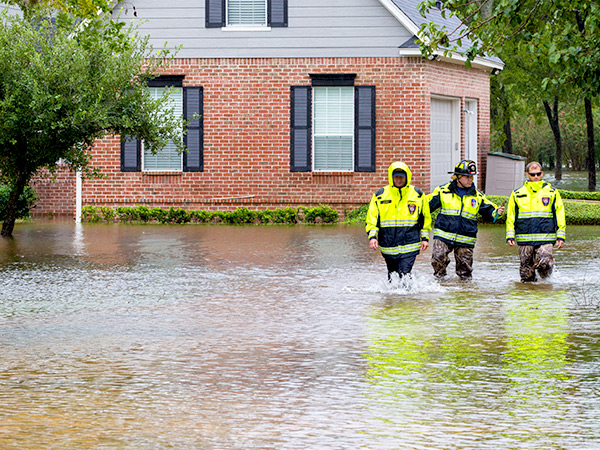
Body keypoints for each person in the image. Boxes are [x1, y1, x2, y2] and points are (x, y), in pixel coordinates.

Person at [428, 159, 504, 280]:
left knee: (465, 273)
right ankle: (440, 284)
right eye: (467, 177)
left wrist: (496, 212)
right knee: (438, 258)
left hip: (466, 238)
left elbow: (490, 211)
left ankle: (465, 294)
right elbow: (426, 206)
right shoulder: (443, 191)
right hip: (443, 235)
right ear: (457, 177)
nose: (470, 180)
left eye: (472, 177)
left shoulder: (477, 196)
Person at [366, 162, 431, 281]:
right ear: (391, 177)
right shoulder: (380, 195)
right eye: (396, 177)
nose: (399, 180)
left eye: (401, 177)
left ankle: (407, 298)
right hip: (388, 245)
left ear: (407, 177)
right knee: (392, 276)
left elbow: (424, 218)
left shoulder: (418, 195)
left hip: (410, 244)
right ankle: (394, 299)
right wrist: (372, 237)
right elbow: (372, 219)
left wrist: (425, 238)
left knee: (404, 274)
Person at [506, 161, 566, 282]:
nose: (536, 177)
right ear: (527, 175)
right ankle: (529, 295)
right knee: (525, 273)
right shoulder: (517, 193)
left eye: (538, 174)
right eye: (533, 174)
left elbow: (560, 213)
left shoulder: (552, 192)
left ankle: (546, 285)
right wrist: (510, 234)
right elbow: (511, 215)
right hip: (524, 237)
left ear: (542, 173)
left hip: (546, 236)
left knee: (545, 262)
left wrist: (561, 235)